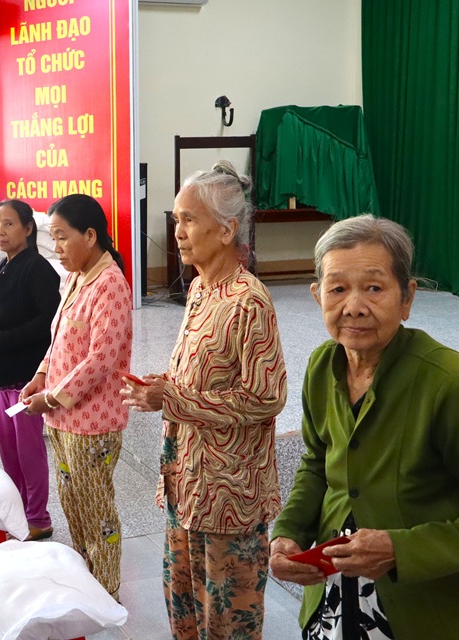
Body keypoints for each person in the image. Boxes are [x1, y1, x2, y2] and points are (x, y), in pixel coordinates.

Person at [269, 214, 459, 640]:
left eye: (374, 288)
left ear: (407, 297)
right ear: (316, 295)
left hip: (434, 612)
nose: (354, 306)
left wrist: (400, 550)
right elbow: (318, 462)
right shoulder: (323, 366)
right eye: (337, 289)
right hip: (339, 602)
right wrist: (287, 532)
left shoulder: (448, 384)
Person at [120, 161, 288, 640]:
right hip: (187, 481)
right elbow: (203, 376)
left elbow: (265, 398)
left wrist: (176, 397)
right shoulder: (199, 288)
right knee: (185, 607)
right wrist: (165, 384)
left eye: (189, 219)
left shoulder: (248, 300)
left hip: (229, 494)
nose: (178, 231)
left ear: (227, 230)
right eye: (177, 219)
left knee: (227, 621)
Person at [20, 194, 132, 599]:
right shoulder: (73, 278)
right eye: (52, 238)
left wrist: (51, 398)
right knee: (74, 505)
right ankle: (87, 580)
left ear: (90, 235)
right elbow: (59, 340)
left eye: (62, 237)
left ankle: (106, 591)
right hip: (63, 420)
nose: (56, 247)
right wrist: (40, 376)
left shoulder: (110, 284)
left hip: (92, 424)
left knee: (97, 512)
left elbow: (100, 359)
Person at [0, 199, 61, 541]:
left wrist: (4, 339)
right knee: (9, 451)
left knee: (29, 451)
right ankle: (19, 513)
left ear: (28, 229)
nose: (0, 231)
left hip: (26, 377)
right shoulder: (4, 266)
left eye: (8, 224)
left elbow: (47, 323)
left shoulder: (37, 268)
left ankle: (38, 517)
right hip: (2, 375)